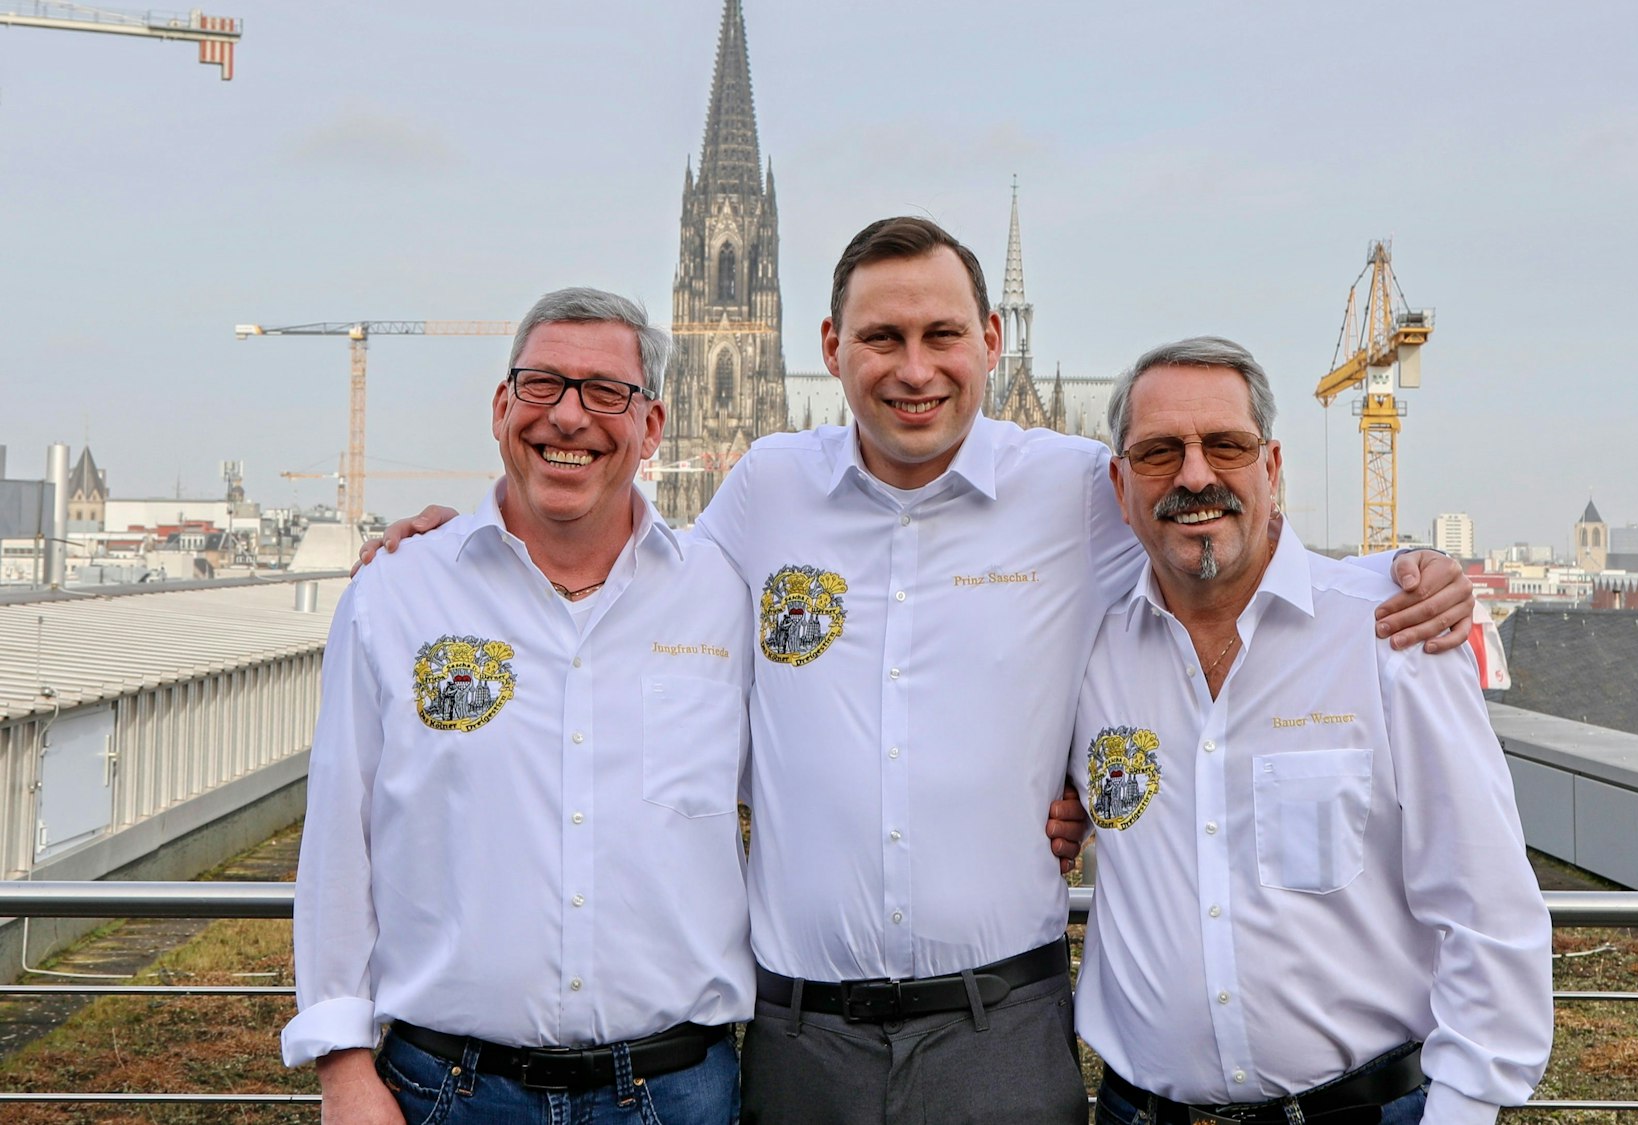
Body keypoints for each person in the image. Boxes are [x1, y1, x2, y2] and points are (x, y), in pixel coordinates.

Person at [366, 218, 1477, 1124]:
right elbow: (629, 589)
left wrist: (1398, 571)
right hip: (800, 1037)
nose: (913, 368)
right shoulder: (764, 489)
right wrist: (479, 537)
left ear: (991, 340)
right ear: (828, 345)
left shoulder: (1075, 487)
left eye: (941, 333)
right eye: (880, 336)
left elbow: (1210, 523)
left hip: (999, 1028)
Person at [285, 288, 753, 1124]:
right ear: (502, 408)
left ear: (652, 427)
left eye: (606, 391)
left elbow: (830, 754)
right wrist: (343, 1065)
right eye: (542, 385)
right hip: (445, 1091)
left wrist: (1050, 801)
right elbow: (336, 842)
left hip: (677, 1092)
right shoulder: (397, 593)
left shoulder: (723, 592)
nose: (569, 416)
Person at [1074, 337, 1552, 1125]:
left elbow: (1488, 908)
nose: (1195, 475)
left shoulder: (1389, 630)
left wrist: (1463, 1111)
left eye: (1225, 445)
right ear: (1119, 485)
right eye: (1160, 452)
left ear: (1273, 464)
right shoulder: (1087, 648)